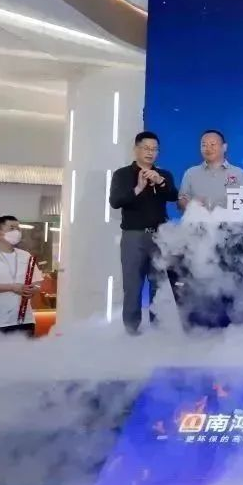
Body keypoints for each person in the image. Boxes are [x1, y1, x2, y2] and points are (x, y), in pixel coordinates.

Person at [109, 131, 181, 335]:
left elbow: (173, 196)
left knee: (159, 284)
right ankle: (131, 329)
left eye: (154, 149)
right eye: (146, 148)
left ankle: (158, 328)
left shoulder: (164, 174)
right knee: (132, 285)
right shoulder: (122, 174)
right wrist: (138, 188)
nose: (150, 152)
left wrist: (160, 182)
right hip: (133, 236)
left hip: (160, 236)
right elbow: (115, 201)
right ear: (136, 149)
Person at [178, 129, 243, 211]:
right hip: (198, 219)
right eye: (204, 145)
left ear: (224, 147)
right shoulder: (190, 173)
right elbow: (181, 200)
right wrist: (189, 205)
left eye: (212, 144)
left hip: (229, 219)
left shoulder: (239, 174)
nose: (208, 148)